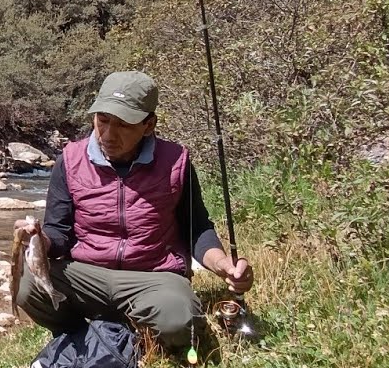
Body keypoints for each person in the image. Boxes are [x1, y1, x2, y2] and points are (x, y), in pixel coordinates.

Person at [14, 71, 254, 349]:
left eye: (124, 124)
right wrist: (40, 241)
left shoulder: (176, 162)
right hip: (86, 273)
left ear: (148, 125)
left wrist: (222, 265)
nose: (108, 134)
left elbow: (196, 228)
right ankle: (81, 335)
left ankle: (132, 329)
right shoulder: (69, 160)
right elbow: (59, 232)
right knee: (26, 284)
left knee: (180, 322)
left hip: (153, 275)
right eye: (102, 120)